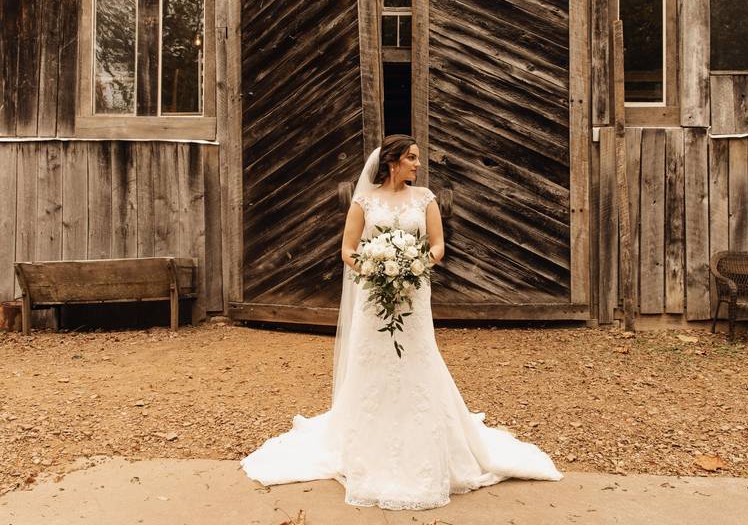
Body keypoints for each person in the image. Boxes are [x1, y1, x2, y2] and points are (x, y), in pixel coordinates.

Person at [240, 134, 562, 510]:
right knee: (373, 361)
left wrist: (414, 266)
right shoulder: (363, 201)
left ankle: (425, 439)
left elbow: (438, 246)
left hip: (413, 292)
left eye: (417, 158)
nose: (418, 164)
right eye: (411, 158)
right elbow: (347, 249)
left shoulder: (425, 199)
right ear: (392, 161)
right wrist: (374, 268)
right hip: (373, 297)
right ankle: (366, 445)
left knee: (417, 358)